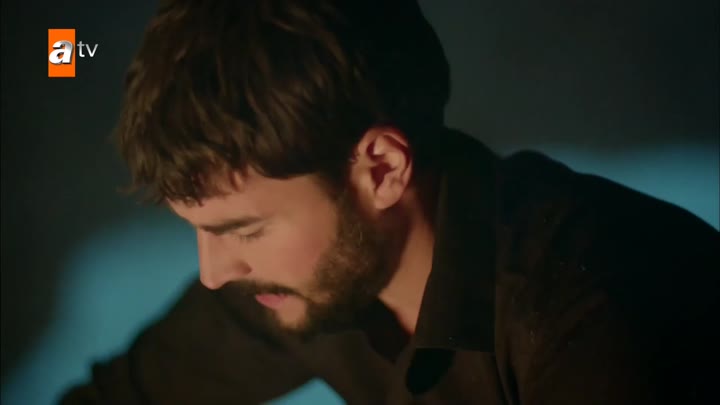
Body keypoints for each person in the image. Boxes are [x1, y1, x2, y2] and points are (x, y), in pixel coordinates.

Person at [60, 0, 719, 404]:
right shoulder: (296, 281)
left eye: (246, 229)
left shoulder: (597, 309)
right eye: (198, 229)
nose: (214, 271)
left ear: (382, 169)